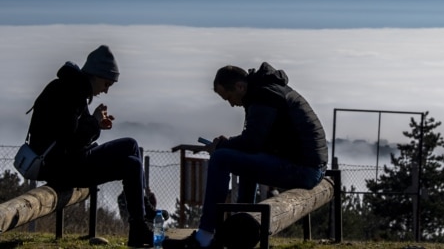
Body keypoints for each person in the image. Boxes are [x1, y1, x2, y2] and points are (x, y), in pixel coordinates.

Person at [164, 62, 328, 249]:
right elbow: (256, 142)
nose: (232, 103)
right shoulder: (268, 90)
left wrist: (222, 145)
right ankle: (239, 223)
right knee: (237, 157)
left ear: (240, 86)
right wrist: (229, 144)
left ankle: (204, 237)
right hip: (309, 166)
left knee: (221, 158)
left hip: (304, 170)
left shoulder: (263, 95)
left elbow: (252, 142)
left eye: (229, 97)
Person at [26, 45, 157, 247]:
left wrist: (96, 124)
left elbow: (75, 133)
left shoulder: (71, 87)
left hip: (66, 160)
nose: (105, 90)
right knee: (131, 163)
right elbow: (70, 140)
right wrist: (94, 122)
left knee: (131, 147)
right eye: (106, 84)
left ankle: (144, 214)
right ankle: (139, 227)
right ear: (96, 76)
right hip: (61, 167)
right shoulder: (72, 93)